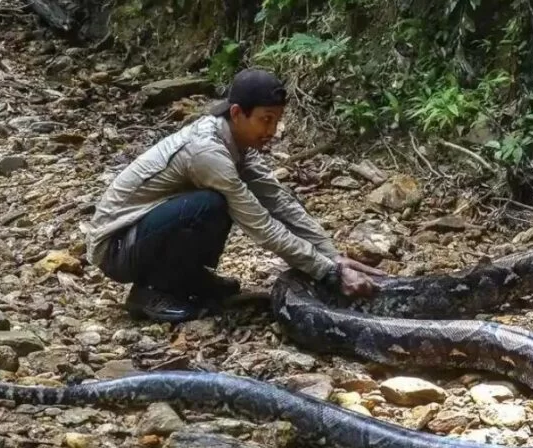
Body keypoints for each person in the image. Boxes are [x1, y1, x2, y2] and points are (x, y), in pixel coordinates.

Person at [84, 67, 385, 323]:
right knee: (210, 205)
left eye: (277, 120)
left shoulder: (238, 143)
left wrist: (333, 256)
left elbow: (279, 202)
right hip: (116, 247)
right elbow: (261, 225)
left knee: (215, 204)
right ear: (238, 113)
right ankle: (149, 292)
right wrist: (328, 273)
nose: (273, 130)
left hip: (141, 235)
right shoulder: (206, 153)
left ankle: (187, 278)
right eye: (266, 119)